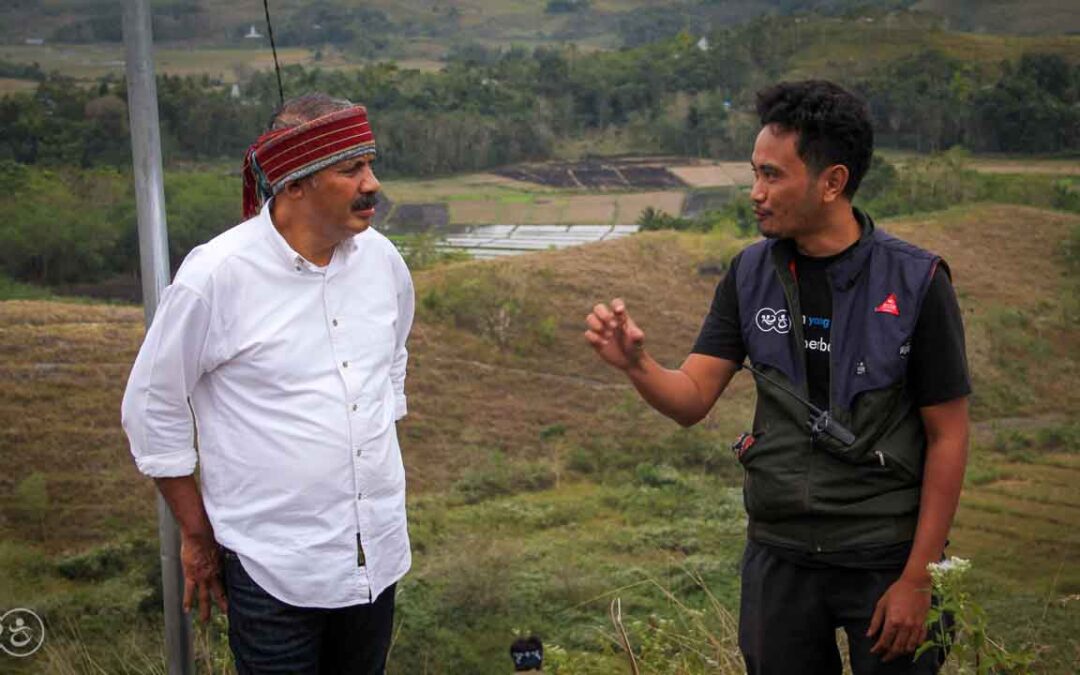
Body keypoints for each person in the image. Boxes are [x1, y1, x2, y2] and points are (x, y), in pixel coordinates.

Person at [584, 80, 969, 674]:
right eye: (754, 174)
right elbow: (690, 399)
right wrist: (638, 365)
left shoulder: (916, 282)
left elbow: (948, 436)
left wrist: (919, 579)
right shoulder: (749, 274)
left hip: (884, 558)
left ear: (832, 182)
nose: (755, 194)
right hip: (780, 558)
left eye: (772, 176)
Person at [122, 93, 414, 674]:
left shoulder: (382, 263)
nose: (372, 183)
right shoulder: (218, 275)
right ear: (294, 185)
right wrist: (197, 534)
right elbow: (153, 408)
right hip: (273, 570)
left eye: (371, 163)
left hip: (375, 559)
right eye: (351, 169)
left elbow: (391, 368)